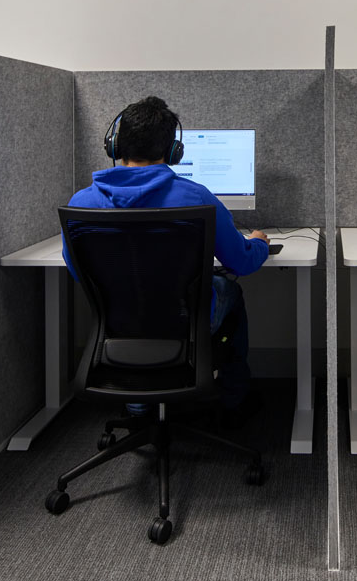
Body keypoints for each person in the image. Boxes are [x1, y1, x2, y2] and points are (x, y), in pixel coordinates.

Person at [62, 96, 270, 426]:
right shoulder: (196, 197)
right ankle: (234, 396)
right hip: (183, 320)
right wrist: (258, 244)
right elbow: (242, 263)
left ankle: (137, 407)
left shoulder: (81, 203)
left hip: (118, 324)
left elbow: (78, 271)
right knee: (231, 291)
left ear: (115, 145)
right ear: (174, 151)